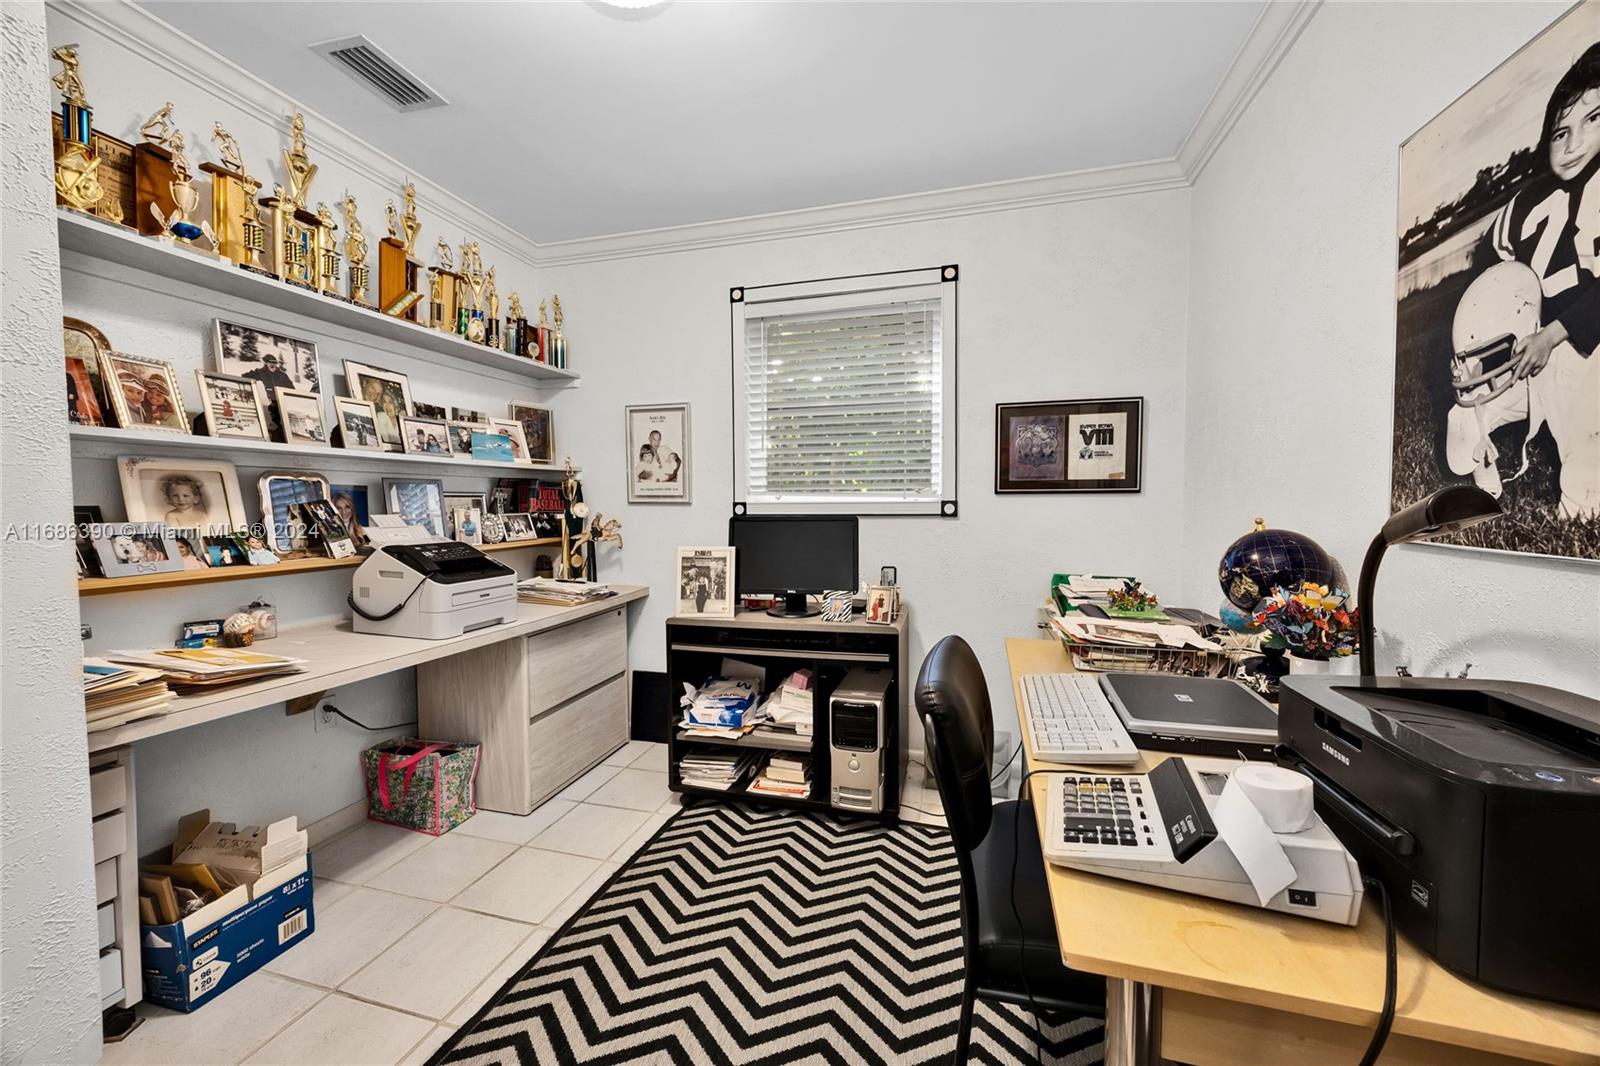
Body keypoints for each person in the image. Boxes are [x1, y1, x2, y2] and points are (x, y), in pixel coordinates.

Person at [1458, 44, 1600, 517]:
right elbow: (1497, 279)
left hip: (1562, 347)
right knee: (1483, 397)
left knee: (1559, 391)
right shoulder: (1530, 201)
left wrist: (1544, 334)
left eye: (1593, 119)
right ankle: (1486, 453)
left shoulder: (1526, 202)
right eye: (1561, 133)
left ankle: (1579, 496)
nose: (1573, 144)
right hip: (1546, 349)